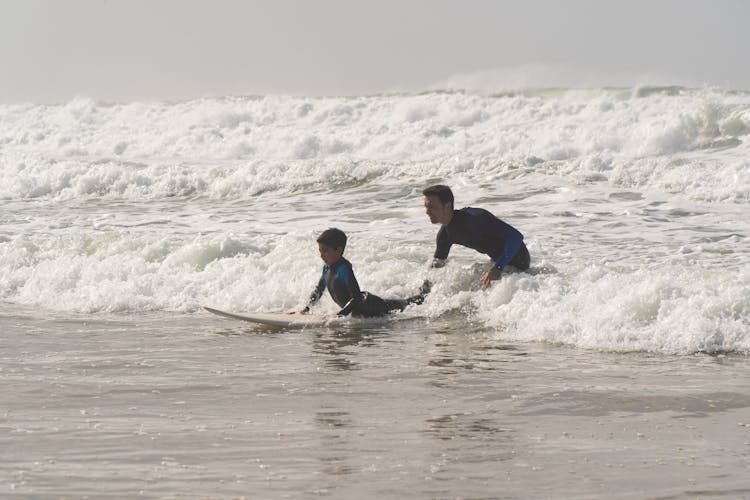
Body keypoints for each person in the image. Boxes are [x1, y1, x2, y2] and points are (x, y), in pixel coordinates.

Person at [301, 228, 431, 317]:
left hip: (372, 306)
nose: (321, 255)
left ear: (338, 250)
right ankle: (423, 292)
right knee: (404, 303)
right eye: (320, 251)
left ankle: (426, 292)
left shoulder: (344, 269)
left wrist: (340, 315)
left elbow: (356, 297)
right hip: (362, 307)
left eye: (325, 251)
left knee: (406, 304)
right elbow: (319, 290)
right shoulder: (326, 268)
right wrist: (306, 308)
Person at [422, 185, 530, 288]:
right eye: (426, 206)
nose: (427, 212)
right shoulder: (445, 236)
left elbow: (516, 237)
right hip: (500, 264)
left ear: (447, 206)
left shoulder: (475, 218)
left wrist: (498, 268)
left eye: (431, 207)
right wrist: (422, 293)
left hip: (518, 263)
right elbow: (436, 268)